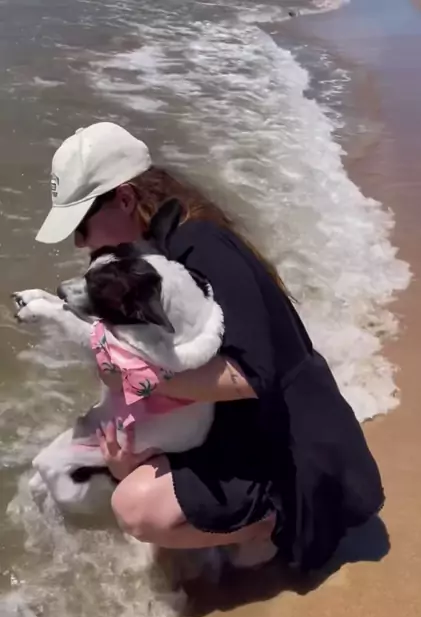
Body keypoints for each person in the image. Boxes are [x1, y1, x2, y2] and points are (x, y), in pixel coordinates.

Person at [35, 121, 385, 571]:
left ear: (124, 198)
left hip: (293, 451)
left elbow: (253, 376)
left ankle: (270, 524)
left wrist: (140, 379)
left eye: (81, 224)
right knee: (112, 465)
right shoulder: (151, 254)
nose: (79, 241)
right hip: (230, 425)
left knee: (136, 506)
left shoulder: (198, 245)